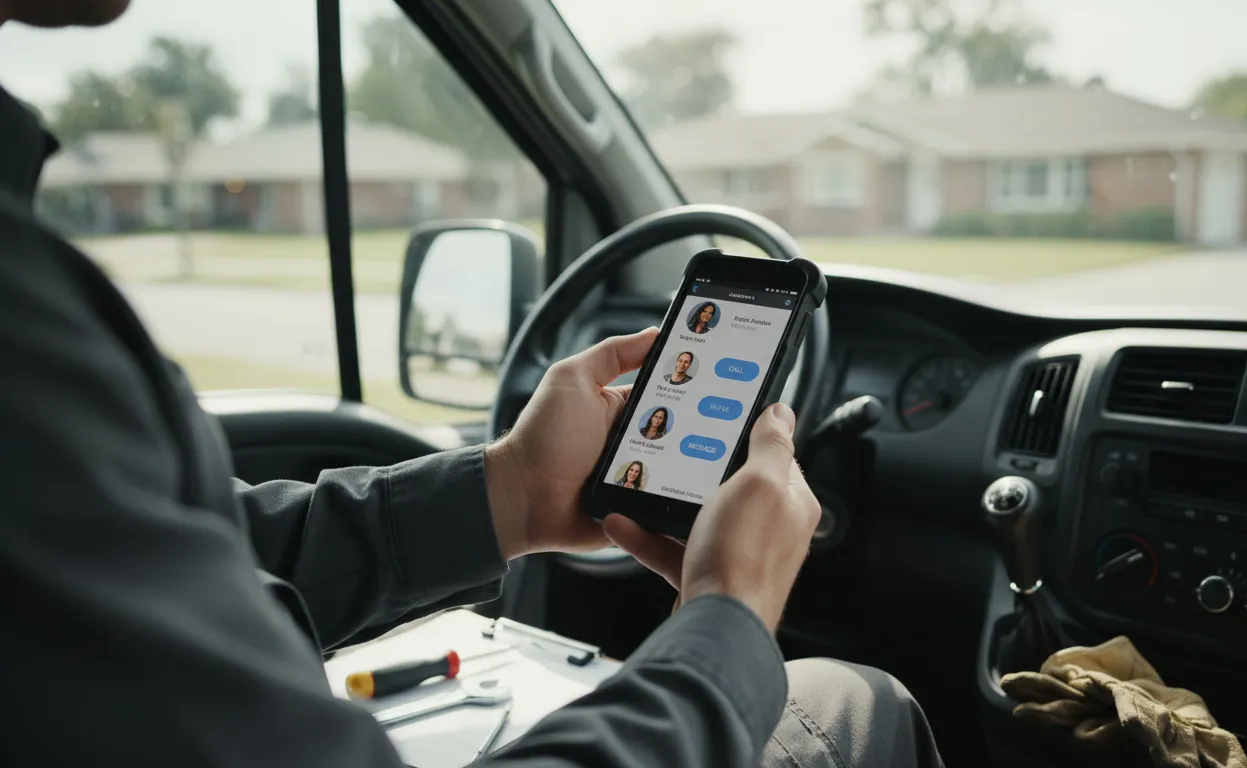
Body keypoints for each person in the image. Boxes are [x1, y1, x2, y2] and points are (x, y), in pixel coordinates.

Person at [0, 3, 945, 767]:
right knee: (860, 705)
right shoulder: (24, 316)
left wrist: (510, 490)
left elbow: (209, 556)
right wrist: (731, 618)